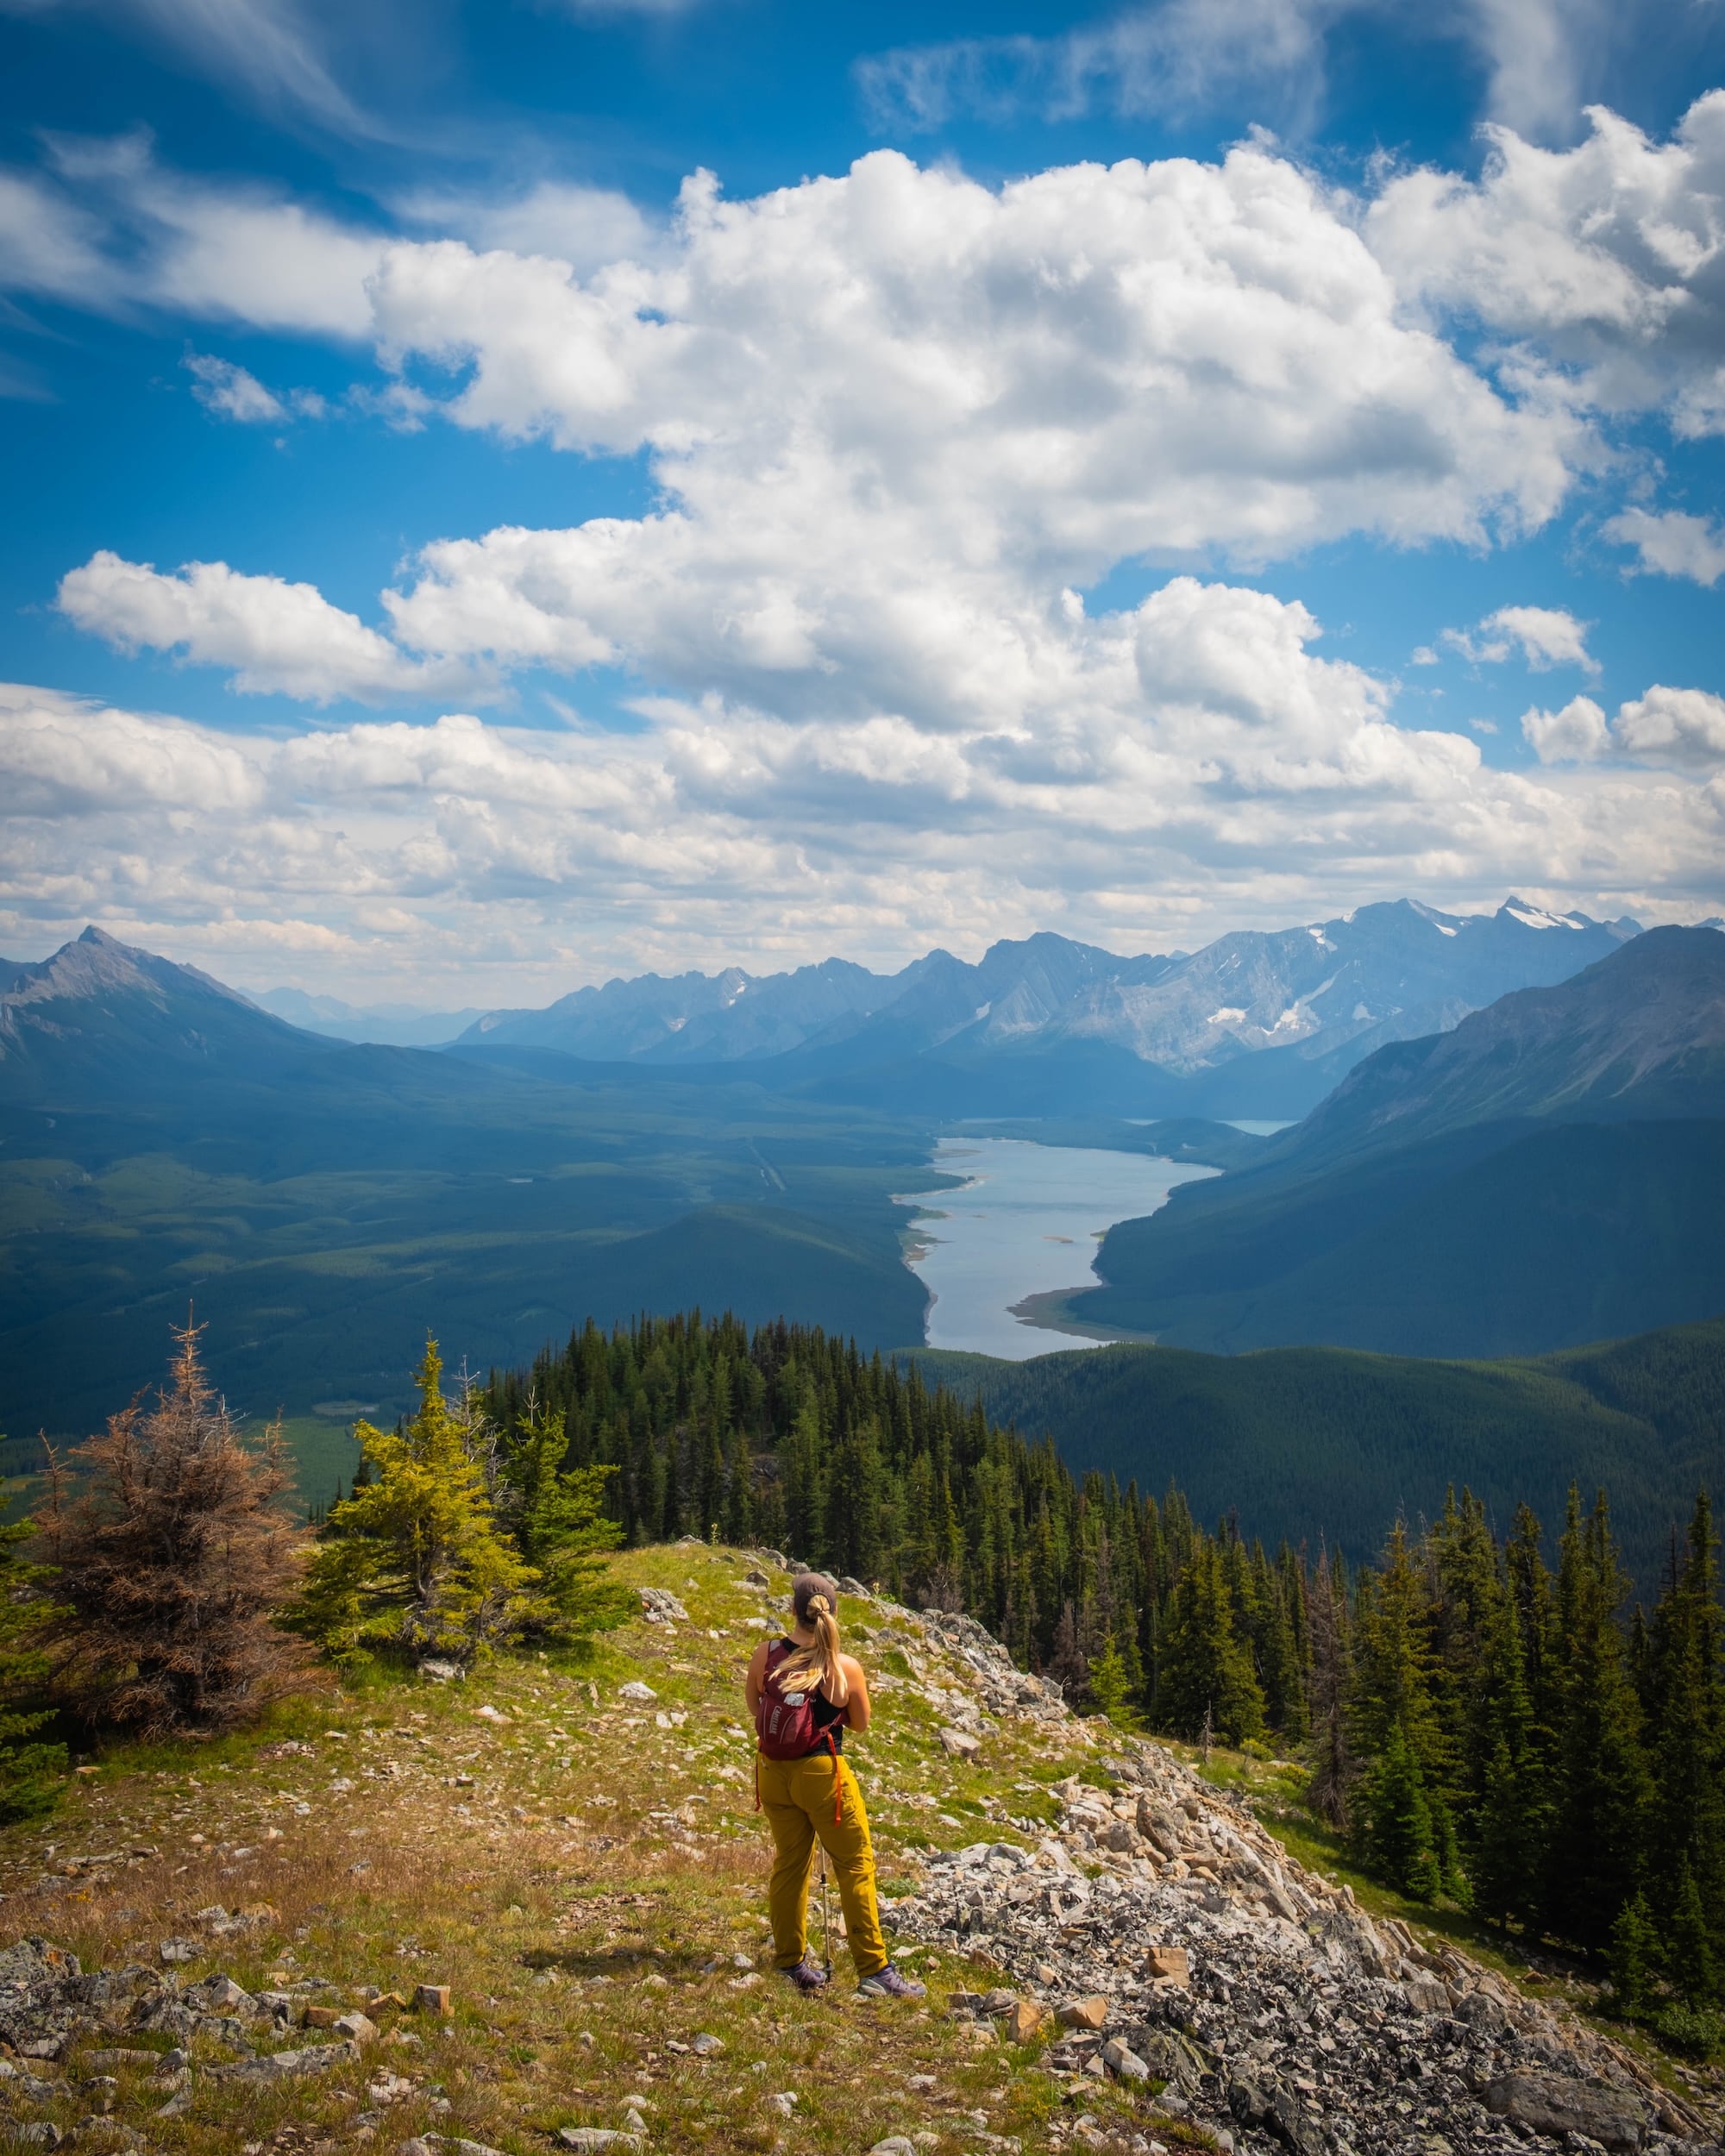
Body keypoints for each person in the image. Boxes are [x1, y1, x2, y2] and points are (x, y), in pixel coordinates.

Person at [747, 1570, 926, 1997]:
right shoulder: (842, 1667)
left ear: (792, 1611)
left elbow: (755, 1706)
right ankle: (874, 1969)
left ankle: (790, 1962)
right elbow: (861, 1724)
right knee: (855, 1864)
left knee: (790, 1864)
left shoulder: (766, 1653)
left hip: (772, 1772)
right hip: (822, 1773)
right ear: (832, 1614)